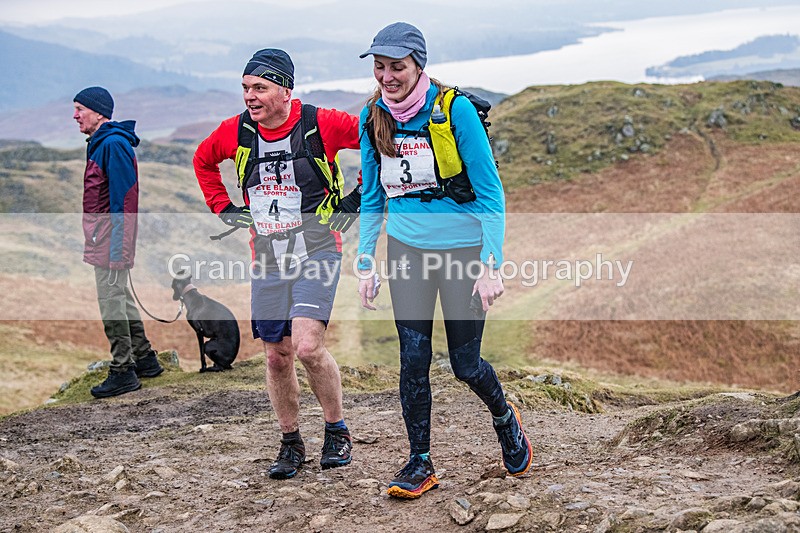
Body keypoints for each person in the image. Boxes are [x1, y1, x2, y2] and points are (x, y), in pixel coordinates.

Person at [356, 22, 533, 498]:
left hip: (463, 254)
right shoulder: (371, 115)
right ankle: (420, 461)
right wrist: (366, 262)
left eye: (397, 67)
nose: (387, 76)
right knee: (412, 359)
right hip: (408, 254)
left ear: (419, 65)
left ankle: (504, 417)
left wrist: (492, 265)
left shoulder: (454, 111)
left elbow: (491, 192)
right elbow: (373, 197)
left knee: (465, 364)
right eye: (380, 67)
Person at [194, 49, 361, 480]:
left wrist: (358, 198)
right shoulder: (236, 131)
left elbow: (378, 141)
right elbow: (203, 160)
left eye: (260, 88)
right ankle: (290, 442)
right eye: (246, 88)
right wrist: (223, 207)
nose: (250, 97)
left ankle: (336, 430)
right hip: (267, 256)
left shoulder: (323, 122)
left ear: (286, 90)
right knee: (276, 357)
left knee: (307, 346)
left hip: (319, 248)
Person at [73, 86, 164, 399]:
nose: (75, 115)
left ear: (98, 112)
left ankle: (123, 371)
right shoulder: (102, 144)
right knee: (121, 298)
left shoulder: (112, 144)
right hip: (105, 239)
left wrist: (119, 249)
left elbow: (125, 200)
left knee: (110, 302)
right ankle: (146, 360)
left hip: (110, 241)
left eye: (80, 109)